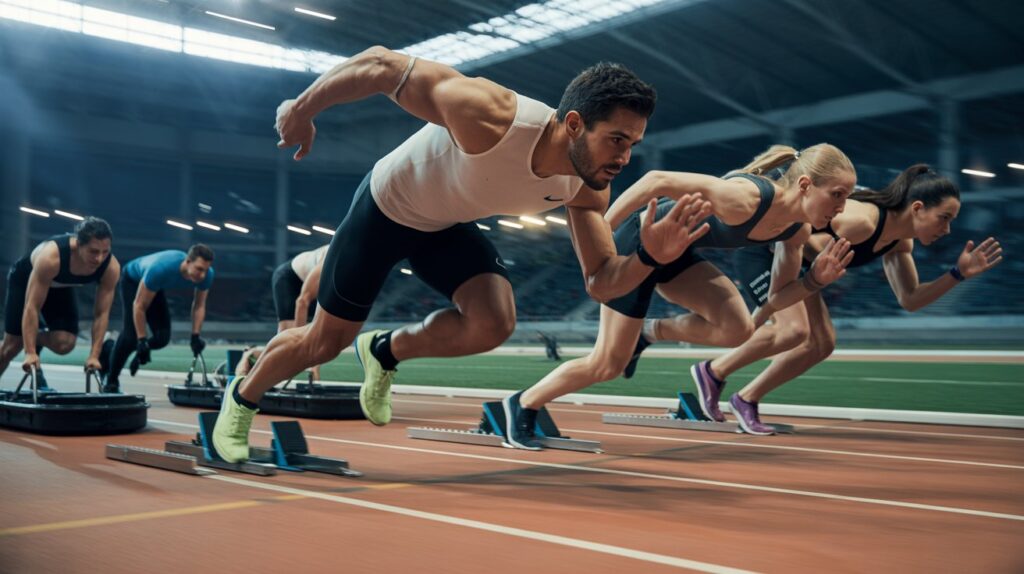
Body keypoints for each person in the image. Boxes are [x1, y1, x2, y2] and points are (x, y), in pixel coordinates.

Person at [211, 46, 713, 463]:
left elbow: (601, 282)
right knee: (323, 343)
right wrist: (301, 110)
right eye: (617, 140)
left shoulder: (588, 186)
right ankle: (242, 398)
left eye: (633, 143)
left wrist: (648, 257)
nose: (624, 158)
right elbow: (383, 65)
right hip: (385, 209)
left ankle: (384, 351)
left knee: (493, 324)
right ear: (576, 124)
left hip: (444, 225)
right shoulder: (490, 115)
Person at [502, 144, 857, 449]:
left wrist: (813, 281)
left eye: (846, 197)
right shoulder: (746, 197)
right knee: (606, 365)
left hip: (677, 255)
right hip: (636, 246)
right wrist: (602, 238)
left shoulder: (796, 232)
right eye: (837, 194)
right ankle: (522, 404)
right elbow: (656, 179)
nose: (842, 207)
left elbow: (776, 299)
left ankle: (648, 332)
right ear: (806, 185)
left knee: (738, 328)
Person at [705, 164, 1003, 434]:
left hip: (805, 268)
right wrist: (822, 259)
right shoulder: (862, 222)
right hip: (767, 251)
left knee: (822, 344)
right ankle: (713, 372)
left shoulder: (900, 243)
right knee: (794, 330)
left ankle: (745, 398)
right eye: (944, 218)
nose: (947, 230)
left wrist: (957, 274)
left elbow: (910, 299)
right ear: (917, 208)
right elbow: (799, 237)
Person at [0, 217, 119, 388]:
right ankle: (24, 339)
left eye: (105, 252)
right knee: (10, 348)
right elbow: (32, 307)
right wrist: (30, 352)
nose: (99, 259)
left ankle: (34, 335)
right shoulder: (51, 257)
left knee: (64, 344)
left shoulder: (110, 267)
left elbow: (102, 313)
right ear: (78, 244)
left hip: (59, 286)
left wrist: (94, 355)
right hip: (25, 280)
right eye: (93, 252)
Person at [104, 245, 214, 392]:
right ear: (188, 261)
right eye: (199, 269)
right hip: (132, 280)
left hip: (154, 286)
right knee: (131, 337)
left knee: (162, 338)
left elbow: (199, 306)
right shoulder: (161, 269)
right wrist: (142, 341)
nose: (202, 275)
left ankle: (116, 350)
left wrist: (195, 336)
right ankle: (111, 380)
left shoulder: (206, 276)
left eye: (206, 270)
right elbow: (139, 306)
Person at [271, 244, 329, 380]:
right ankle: (251, 355)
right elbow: (302, 301)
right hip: (289, 278)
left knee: (323, 330)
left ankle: (313, 373)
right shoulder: (329, 259)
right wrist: (298, 343)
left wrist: (315, 366)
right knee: (287, 342)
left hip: (310, 285)